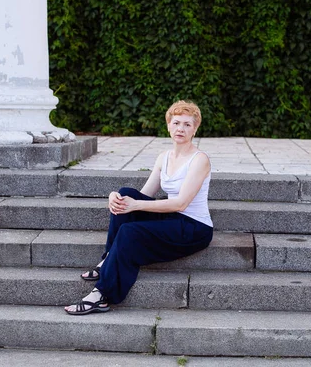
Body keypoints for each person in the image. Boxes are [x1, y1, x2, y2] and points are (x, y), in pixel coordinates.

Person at [65, 100, 214, 315]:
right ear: (168, 126)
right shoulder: (164, 157)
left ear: (195, 129)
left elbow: (181, 203)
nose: (181, 128)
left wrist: (135, 205)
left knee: (130, 232)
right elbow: (144, 196)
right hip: (172, 217)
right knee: (126, 193)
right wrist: (117, 198)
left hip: (194, 228)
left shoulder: (199, 160)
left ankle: (101, 296)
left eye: (187, 125)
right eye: (176, 123)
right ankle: (107, 259)